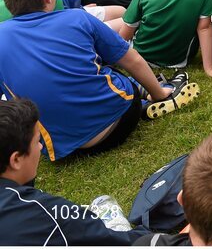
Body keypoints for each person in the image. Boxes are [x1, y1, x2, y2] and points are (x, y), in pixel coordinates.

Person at [0, 0, 196, 160]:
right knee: (109, 68)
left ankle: (147, 96)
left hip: (56, 148)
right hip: (117, 122)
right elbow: (132, 59)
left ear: (7, 2)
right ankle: (155, 92)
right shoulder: (77, 17)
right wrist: (159, 93)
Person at [0, 98, 154, 244]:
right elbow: (121, 242)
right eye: (37, 142)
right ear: (16, 160)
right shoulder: (47, 213)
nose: (41, 147)